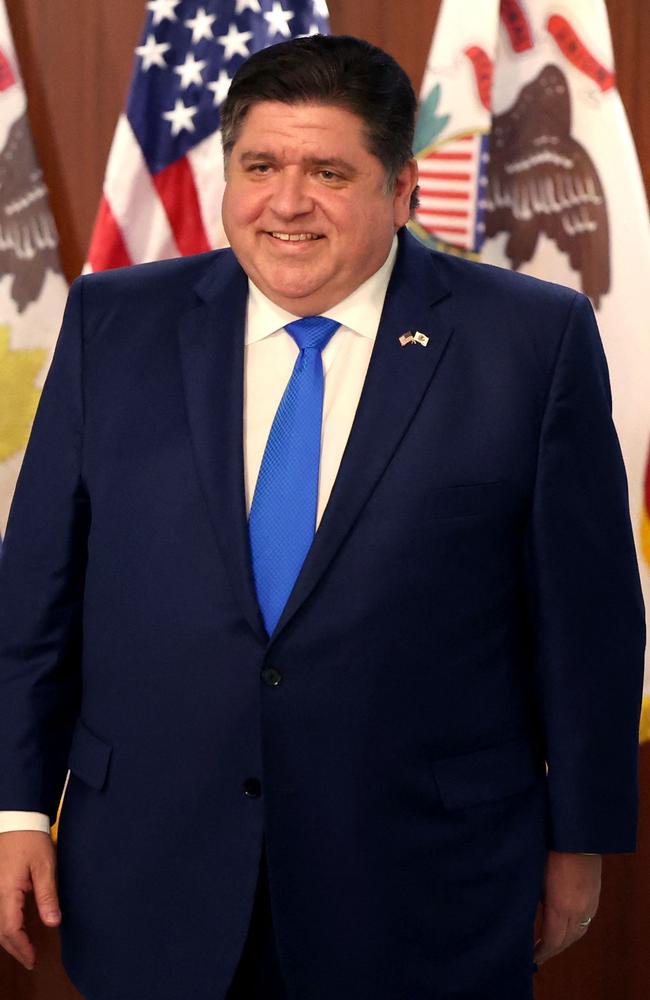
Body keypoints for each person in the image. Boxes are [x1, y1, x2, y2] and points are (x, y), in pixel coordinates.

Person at [0, 33, 644, 1000]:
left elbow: (587, 618)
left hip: (423, 881)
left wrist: (580, 839)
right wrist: (13, 810)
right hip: (151, 868)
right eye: (260, 165)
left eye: (329, 171)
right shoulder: (112, 322)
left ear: (403, 189)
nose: (287, 201)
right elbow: (37, 595)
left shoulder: (532, 340)